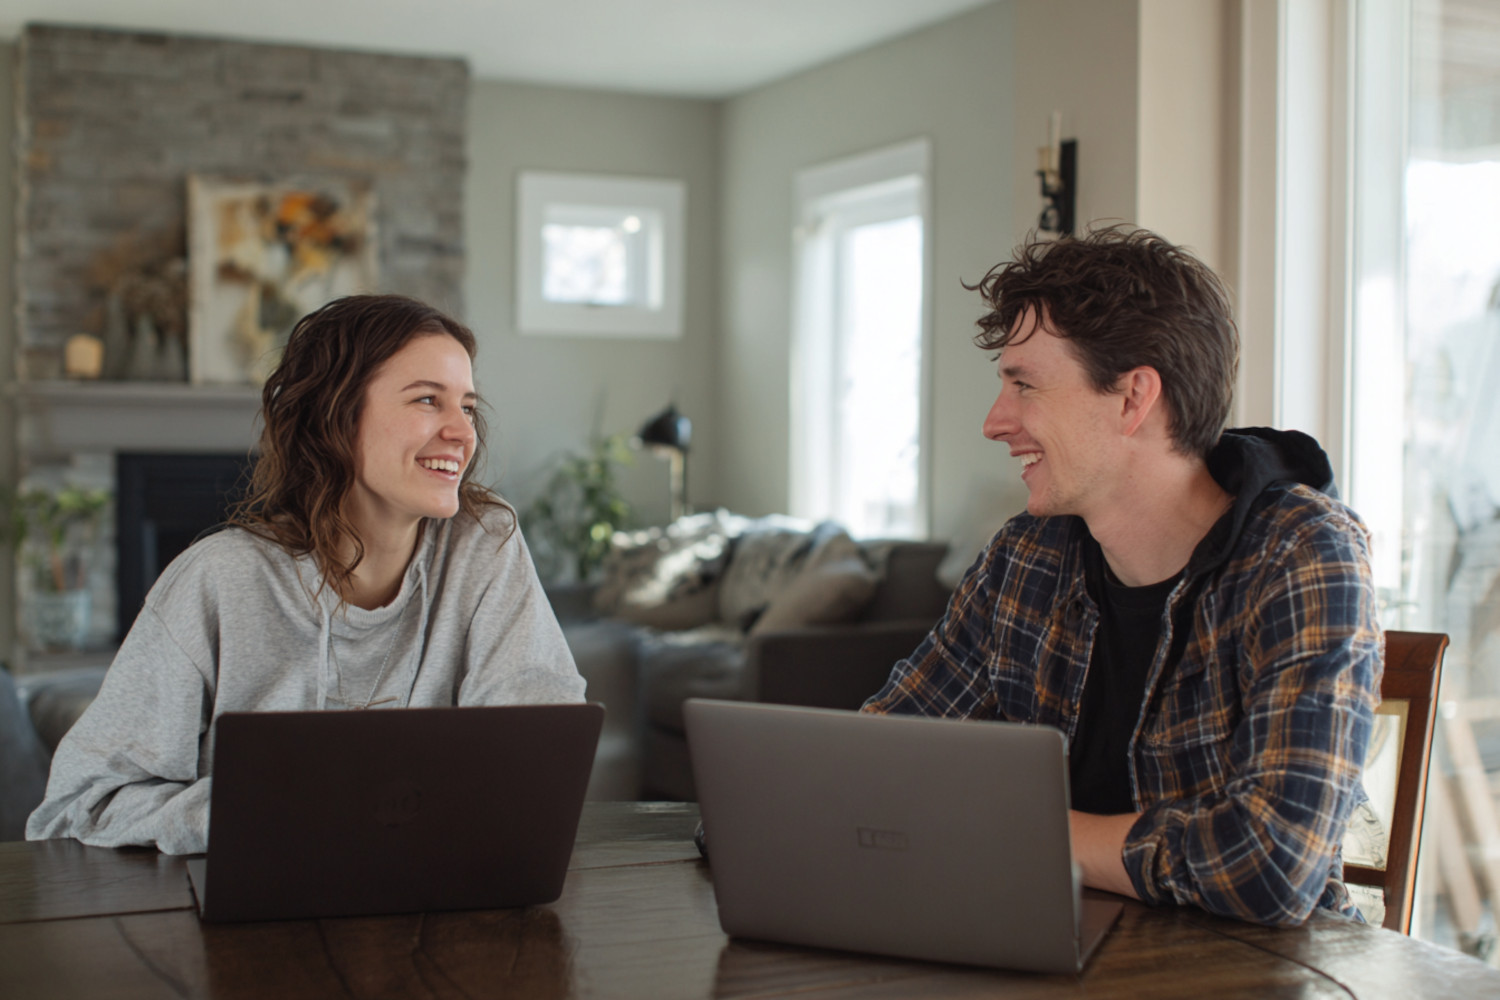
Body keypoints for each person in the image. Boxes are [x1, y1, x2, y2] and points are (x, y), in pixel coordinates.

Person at [862, 226, 1383, 927]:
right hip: (1050, 951)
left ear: (1134, 398)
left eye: (1025, 385)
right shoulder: (1026, 556)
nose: (994, 421)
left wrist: (1016, 830)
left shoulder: (1303, 555)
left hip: (1253, 976)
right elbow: (874, 760)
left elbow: (1273, 863)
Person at [27, 294, 585, 855]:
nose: (462, 433)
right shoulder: (218, 579)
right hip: (252, 925)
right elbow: (76, 806)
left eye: (466, 406)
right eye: (426, 400)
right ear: (333, 416)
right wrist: (260, 811)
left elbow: (537, 758)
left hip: (434, 906)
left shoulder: (485, 544)